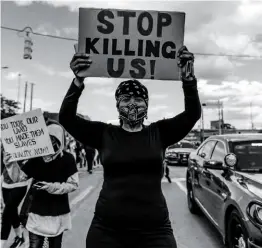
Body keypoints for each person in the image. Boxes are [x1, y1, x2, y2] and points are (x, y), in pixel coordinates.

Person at [59, 45, 201, 248]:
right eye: (126, 99)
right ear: (117, 104)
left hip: (155, 230)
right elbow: (66, 118)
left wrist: (188, 80)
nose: (132, 104)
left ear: (147, 104)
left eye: (138, 99)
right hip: (107, 230)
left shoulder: (159, 132)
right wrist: (78, 81)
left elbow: (192, 114)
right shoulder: (104, 134)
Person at [3, 123, 79, 248]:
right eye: (47, 138)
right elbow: (19, 177)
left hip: (58, 212)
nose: (50, 142)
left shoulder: (68, 158)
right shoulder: (36, 158)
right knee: (34, 245)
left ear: (60, 139)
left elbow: (73, 184)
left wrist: (51, 187)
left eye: (54, 138)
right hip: (37, 212)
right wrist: (10, 164)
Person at [1, 145, 28, 248]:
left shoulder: (24, 143)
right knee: (12, 211)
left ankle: (1, 244)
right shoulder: (4, 144)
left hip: (20, 184)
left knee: (6, 214)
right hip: (6, 184)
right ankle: (20, 237)